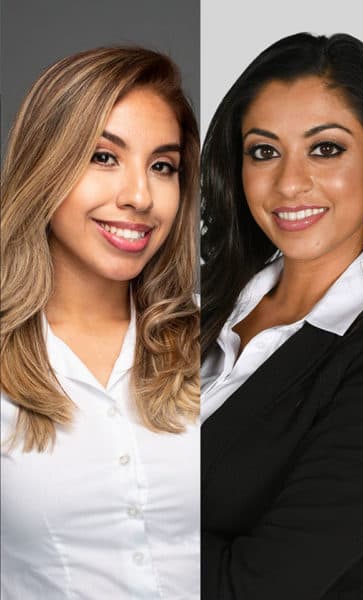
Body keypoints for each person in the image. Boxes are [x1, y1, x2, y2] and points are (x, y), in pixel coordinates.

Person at [198, 33, 363, 600]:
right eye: (264, 151)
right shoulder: (203, 305)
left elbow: (262, 586)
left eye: (326, 149)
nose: (289, 183)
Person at [0, 47, 200, 598]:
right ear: (45, 164)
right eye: (103, 157)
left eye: (162, 166)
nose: (139, 196)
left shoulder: (223, 343)